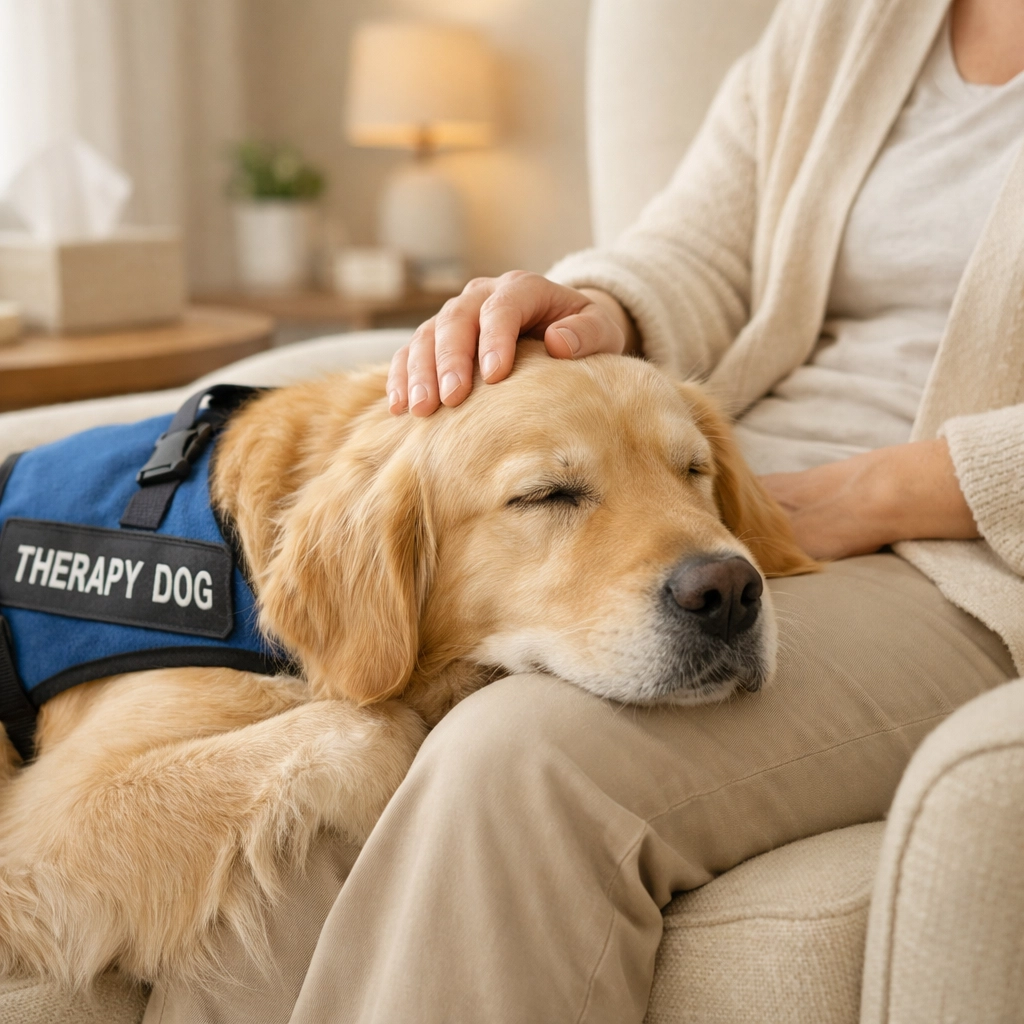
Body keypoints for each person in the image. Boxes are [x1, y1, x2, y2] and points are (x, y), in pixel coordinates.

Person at [145, 0, 1023, 1020]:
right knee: (317, 804)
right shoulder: (852, 19)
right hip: (716, 495)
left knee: (522, 759)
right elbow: (703, 249)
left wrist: (884, 488)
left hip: (966, 554)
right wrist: (592, 311)